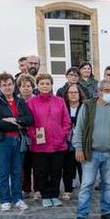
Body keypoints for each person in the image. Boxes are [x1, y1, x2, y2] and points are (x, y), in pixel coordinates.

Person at [72, 79, 110, 219]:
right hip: (90, 153)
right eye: (107, 91)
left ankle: (107, 211)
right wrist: (78, 148)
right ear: (99, 92)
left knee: (109, 185)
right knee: (86, 184)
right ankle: (82, 214)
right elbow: (78, 129)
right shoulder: (87, 106)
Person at [0, 73, 33, 212]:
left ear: (14, 85)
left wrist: (13, 120)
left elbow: (29, 120)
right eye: (4, 85)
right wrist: (18, 123)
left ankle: (17, 198)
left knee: (17, 171)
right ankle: (5, 200)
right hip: (1, 141)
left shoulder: (20, 102)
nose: (7, 87)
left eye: (9, 84)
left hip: (18, 140)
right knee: (3, 171)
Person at [27, 74, 71, 208]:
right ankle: (45, 195)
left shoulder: (60, 101)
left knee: (56, 171)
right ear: (37, 86)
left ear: (52, 85)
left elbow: (66, 121)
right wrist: (35, 135)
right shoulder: (31, 102)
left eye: (47, 83)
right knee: (42, 171)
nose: (45, 86)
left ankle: (54, 194)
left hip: (58, 144)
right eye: (42, 84)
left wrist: (61, 136)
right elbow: (29, 123)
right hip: (39, 144)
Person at [62, 83, 86, 201]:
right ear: (66, 94)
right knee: (68, 167)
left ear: (79, 94)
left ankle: (84, 190)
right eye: (70, 92)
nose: (73, 95)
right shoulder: (63, 106)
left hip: (82, 141)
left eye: (75, 92)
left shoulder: (85, 107)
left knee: (83, 168)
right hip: (66, 141)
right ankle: (67, 190)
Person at [17, 74, 38, 199]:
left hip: (35, 134)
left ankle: (38, 189)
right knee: (23, 164)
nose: (26, 88)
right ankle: (25, 189)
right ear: (19, 87)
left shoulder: (36, 99)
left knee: (36, 163)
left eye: (29, 86)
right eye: (23, 86)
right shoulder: (16, 100)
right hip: (21, 135)